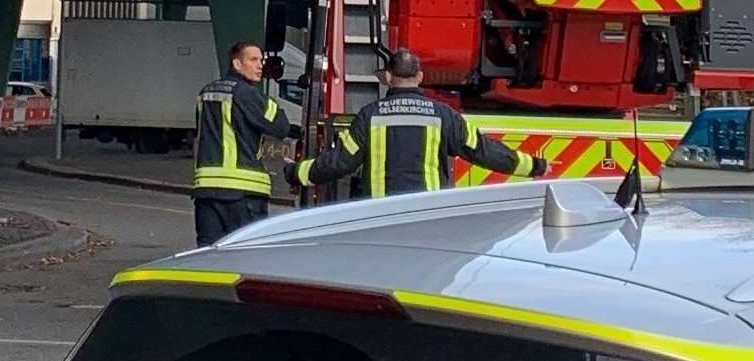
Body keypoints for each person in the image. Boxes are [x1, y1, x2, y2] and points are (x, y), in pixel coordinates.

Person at [289, 49, 548, 199]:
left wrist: (296, 173)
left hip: (381, 216)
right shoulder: (443, 115)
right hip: (426, 216)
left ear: (388, 77)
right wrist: (534, 166)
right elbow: (484, 151)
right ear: (420, 76)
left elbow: (339, 163)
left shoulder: (370, 115)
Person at [191, 40, 294, 246]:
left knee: (208, 253)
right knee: (245, 252)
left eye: (261, 60)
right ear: (237, 64)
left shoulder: (206, 93)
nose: (260, 65)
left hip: (206, 189)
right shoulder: (246, 93)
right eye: (253, 60)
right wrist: (269, 102)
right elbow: (281, 127)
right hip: (242, 192)